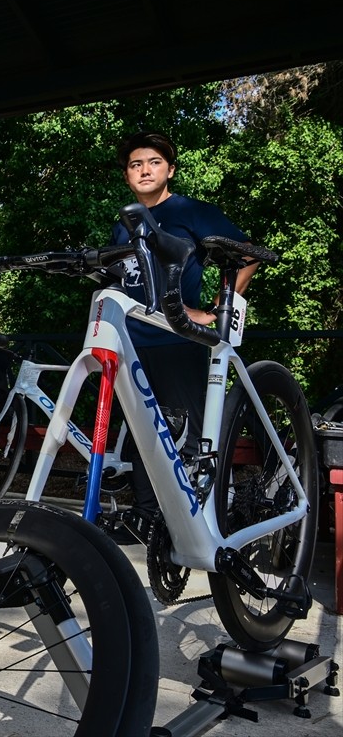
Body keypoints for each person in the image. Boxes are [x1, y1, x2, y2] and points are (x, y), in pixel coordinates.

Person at [110, 130, 256, 538]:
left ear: (169, 170)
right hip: (132, 344)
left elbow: (247, 255)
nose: (144, 170)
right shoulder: (123, 224)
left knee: (186, 436)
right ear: (127, 175)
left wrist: (213, 310)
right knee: (143, 433)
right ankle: (146, 521)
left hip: (177, 340)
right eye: (136, 164)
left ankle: (197, 528)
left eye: (154, 162)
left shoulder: (190, 211)